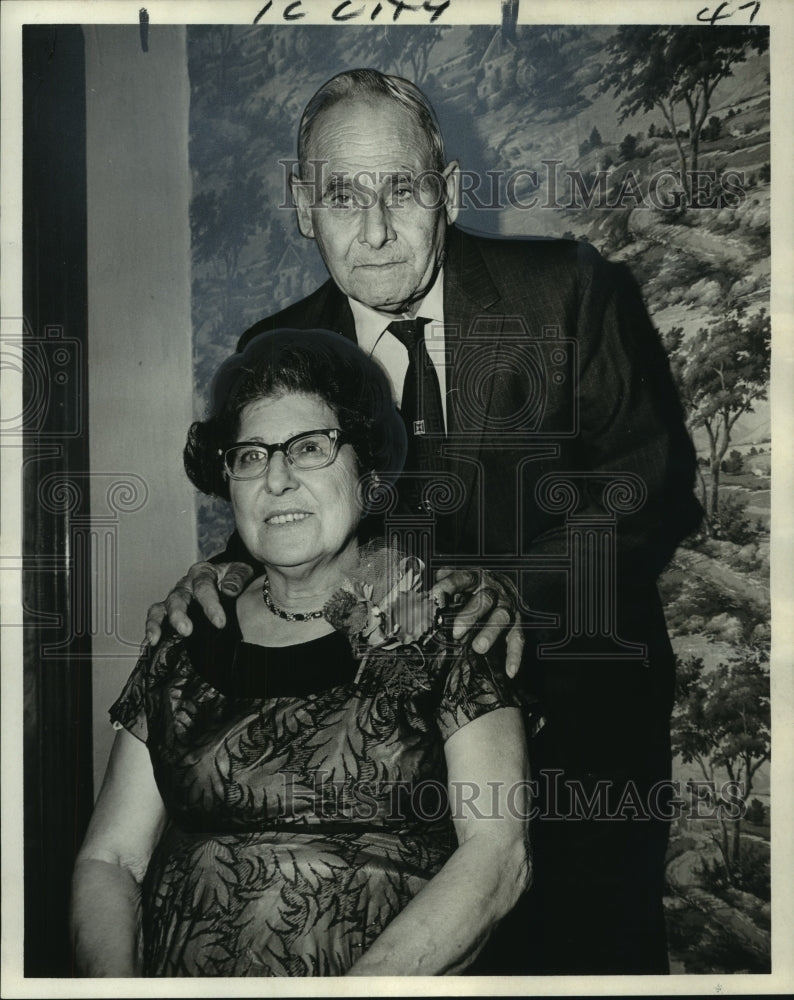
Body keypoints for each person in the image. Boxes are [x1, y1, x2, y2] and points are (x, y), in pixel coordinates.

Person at [146, 69, 703, 974]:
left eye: (400, 187)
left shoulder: (568, 292)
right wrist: (234, 570)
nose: (373, 229)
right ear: (301, 206)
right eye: (341, 194)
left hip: (582, 735)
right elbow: (297, 511)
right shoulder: (276, 349)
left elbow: (646, 485)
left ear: (444, 189)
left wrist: (511, 594)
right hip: (398, 777)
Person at [71, 328, 532, 977]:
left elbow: (497, 856)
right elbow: (110, 859)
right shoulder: (185, 633)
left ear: (367, 471)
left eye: (309, 448)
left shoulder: (444, 625)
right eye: (250, 456)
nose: (277, 479)